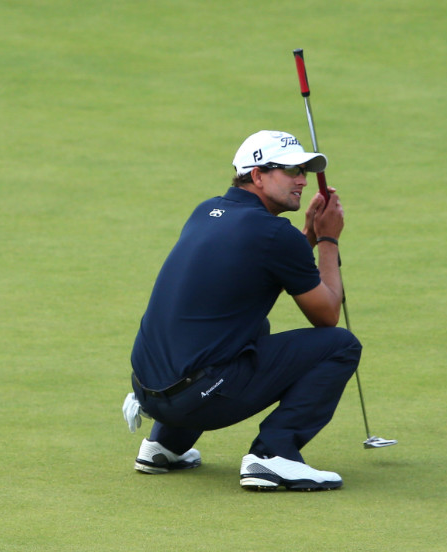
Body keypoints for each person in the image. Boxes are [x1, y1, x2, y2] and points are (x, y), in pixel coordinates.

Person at [122, 130, 361, 491]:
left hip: (149, 391)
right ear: (257, 175)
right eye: (289, 170)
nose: (301, 180)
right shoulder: (274, 235)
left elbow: (258, 268)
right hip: (197, 398)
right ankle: (272, 456)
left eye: (303, 171)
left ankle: (166, 445)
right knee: (340, 345)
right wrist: (328, 238)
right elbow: (327, 315)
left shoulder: (207, 211)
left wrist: (307, 235)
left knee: (253, 327)